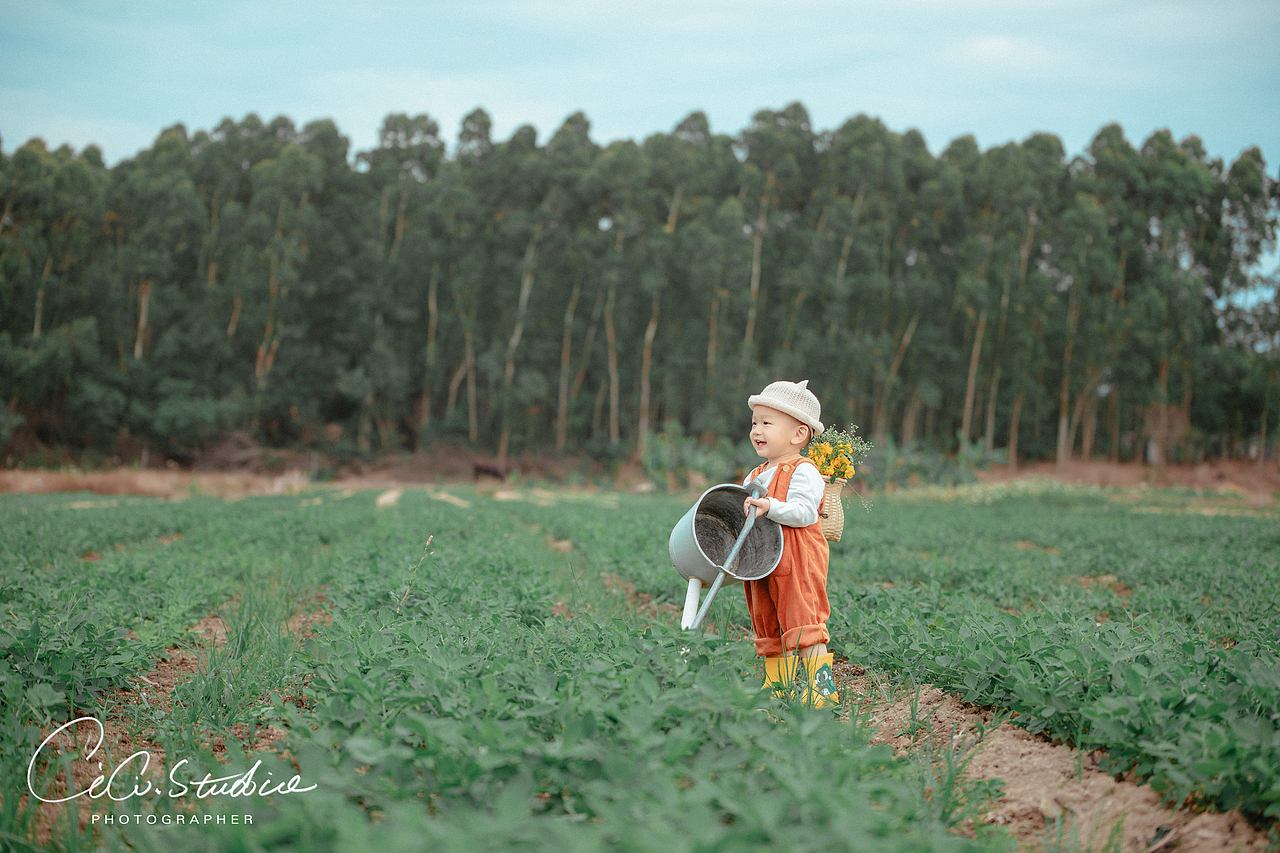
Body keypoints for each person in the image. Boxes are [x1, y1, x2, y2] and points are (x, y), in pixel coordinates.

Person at [740, 379, 839, 708]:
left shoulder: (803, 470)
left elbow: (804, 512)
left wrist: (770, 507)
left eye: (767, 423)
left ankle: (822, 691)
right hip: (763, 561)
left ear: (798, 434)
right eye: (755, 422)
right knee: (766, 622)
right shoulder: (756, 474)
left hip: (797, 561)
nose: (757, 430)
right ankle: (776, 688)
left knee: (805, 622)